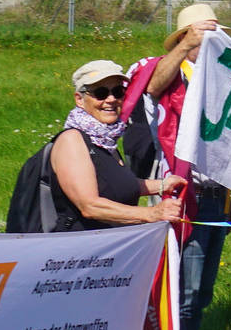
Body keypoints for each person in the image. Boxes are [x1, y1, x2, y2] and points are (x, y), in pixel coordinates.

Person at [129, 5, 231, 330]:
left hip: (217, 197)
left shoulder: (224, 76)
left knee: (203, 292)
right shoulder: (171, 71)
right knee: (183, 292)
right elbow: (149, 91)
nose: (214, 42)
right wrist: (188, 43)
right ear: (186, 37)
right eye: (206, 35)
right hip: (185, 198)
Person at [50, 59, 180, 230]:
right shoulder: (72, 140)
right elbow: (90, 206)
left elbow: (118, 184)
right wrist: (151, 214)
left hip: (110, 245)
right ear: (79, 99)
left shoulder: (105, 138)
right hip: (78, 250)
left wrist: (164, 185)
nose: (111, 99)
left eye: (118, 91)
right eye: (101, 93)